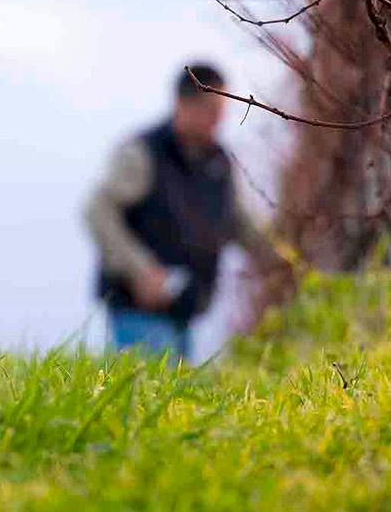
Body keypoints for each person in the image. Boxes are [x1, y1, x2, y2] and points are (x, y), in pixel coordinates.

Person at [83, 62, 265, 359]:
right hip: (138, 313)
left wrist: (284, 259)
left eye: (222, 112)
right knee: (148, 386)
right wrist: (140, 270)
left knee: (176, 386)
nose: (218, 120)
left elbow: (238, 223)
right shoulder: (143, 152)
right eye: (211, 111)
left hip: (185, 312)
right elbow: (98, 210)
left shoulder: (218, 162)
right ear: (183, 104)